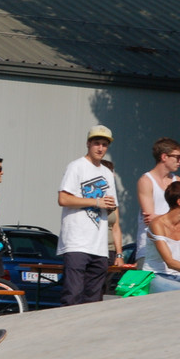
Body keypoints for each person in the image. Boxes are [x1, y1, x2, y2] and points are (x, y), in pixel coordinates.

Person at [56, 125, 118, 305]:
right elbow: (63, 199)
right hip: (76, 242)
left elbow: (111, 205)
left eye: (104, 145)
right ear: (88, 144)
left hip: (99, 245)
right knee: (73, 295)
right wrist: (96, 202)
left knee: (94, 299)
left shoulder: (107, 173)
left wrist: (109, 205)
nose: (100, 148)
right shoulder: (76, 166)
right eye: (97, 143)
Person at [133, 137, 180, 268]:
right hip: (149, 248)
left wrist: (160, 217)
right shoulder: (146, 181)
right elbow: (150, 220)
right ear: (164, 157)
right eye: (177, 157)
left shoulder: (178, 181)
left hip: (174, 248)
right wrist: (175, 217)